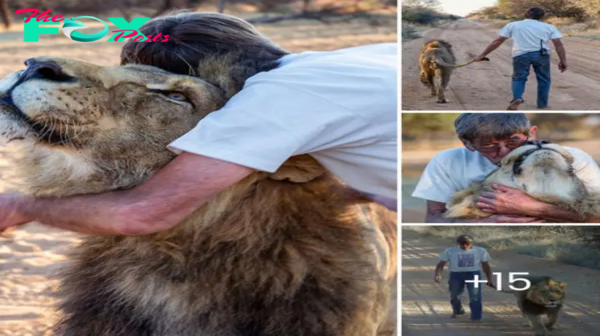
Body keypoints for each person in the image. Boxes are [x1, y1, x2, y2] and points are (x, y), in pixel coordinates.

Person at [0, 12, 397, 235]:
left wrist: (21, 205)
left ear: (220, 87)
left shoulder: (261, 105)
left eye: (173, 93)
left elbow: (140, 213)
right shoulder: (360, 58)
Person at [412, 113, 600, 223]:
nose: (503, 152)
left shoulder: (569, 158)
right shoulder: (447, 161)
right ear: (467, 143)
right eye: (488, 146)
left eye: (513, 142)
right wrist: (484, 223)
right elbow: (433, 218)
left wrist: (533, 208)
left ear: (531, 134)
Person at [472, 7, 567, 110]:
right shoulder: (549, 27)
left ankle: (517, 98)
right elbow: (558, 45)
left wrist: (482, 55)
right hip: (542, 55)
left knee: (519, 78)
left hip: (521, 55)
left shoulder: (513, 25)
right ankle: (542, 105)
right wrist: (563, 60)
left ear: (526, 14)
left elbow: (497, 41)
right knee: (544, 80)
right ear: (542, 16)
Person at [434, 234, 494, 321]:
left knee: (475, 296)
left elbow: (486, 266)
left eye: (467, 243)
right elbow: (440, 264)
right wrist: (438, 274)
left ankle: (476, 317)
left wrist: (489, 279)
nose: (464, 245)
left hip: (474, 274)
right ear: (458, 243)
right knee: (455, 296)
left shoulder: (480, 251)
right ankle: (458, 311)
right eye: (462, 243)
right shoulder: (450, 251)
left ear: (471, 243)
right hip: (456, 274)